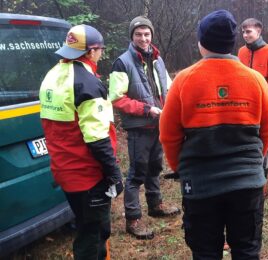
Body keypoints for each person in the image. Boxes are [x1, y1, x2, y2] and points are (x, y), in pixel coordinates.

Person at [159, 10, 268, 259]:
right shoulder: (255, 80)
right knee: (246, 250)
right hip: (247, 185)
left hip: (200, 186)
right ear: (232, 42)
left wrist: (182, 168)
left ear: (201, 42)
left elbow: (168, 136)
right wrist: (251, 163)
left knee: (205, 253)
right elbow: (267, 131)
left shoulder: (183, 81)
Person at [39, 24, 122, 259]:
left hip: (64, 170)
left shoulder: (52, 75)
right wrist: (114, 175)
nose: (101, 54)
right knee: (93, 235)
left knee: (87, 227)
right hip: (88, 176)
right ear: (92, 51)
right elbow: (97, 138)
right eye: (100, 50)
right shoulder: (87, 83)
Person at [109, 16, 180, 240]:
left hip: (158, 125)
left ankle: (155, 205)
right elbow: (116, 98)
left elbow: (168, 89)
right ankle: (133, 218)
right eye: (138, 34)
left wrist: (171, 111)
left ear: (152, 35)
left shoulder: (158, 60)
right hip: (139, 126)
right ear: (132, 36)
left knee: (155, 167)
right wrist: (146, 109)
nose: (143, 38)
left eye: (146, 34)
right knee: (136, 173)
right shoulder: (122, 62)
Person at [238, 17, 268, 191]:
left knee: (263, 146)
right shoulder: (241, 52)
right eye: (243, 32)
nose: (245, 35)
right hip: (243, 108)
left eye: (248, 31)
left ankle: (261, 184)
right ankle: (245, 180)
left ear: (259, 31)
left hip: (263, 109)